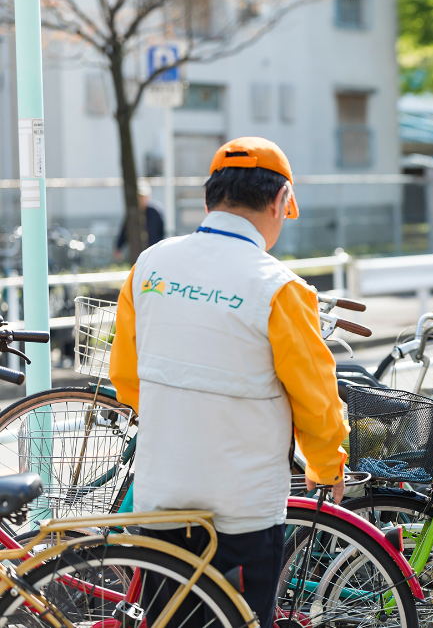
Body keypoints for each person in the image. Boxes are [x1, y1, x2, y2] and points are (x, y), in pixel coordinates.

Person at [108, 137, 348, 627]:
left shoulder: (149, 266)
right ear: (281, 201)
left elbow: (127, 380)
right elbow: (316, 398)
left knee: (168, 617)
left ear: (208, 199)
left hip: (161, 498)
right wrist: (327, 466)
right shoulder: (280, 287)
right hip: (241, 508)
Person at [115, 181, 166, 261]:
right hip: (136, 252)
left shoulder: (155, 212)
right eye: (139, 196)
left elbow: (161, 231)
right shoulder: (132, 212)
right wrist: (118, 247)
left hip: (153, 251)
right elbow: (125, 231)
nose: (141, 199)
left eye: (143, 196)